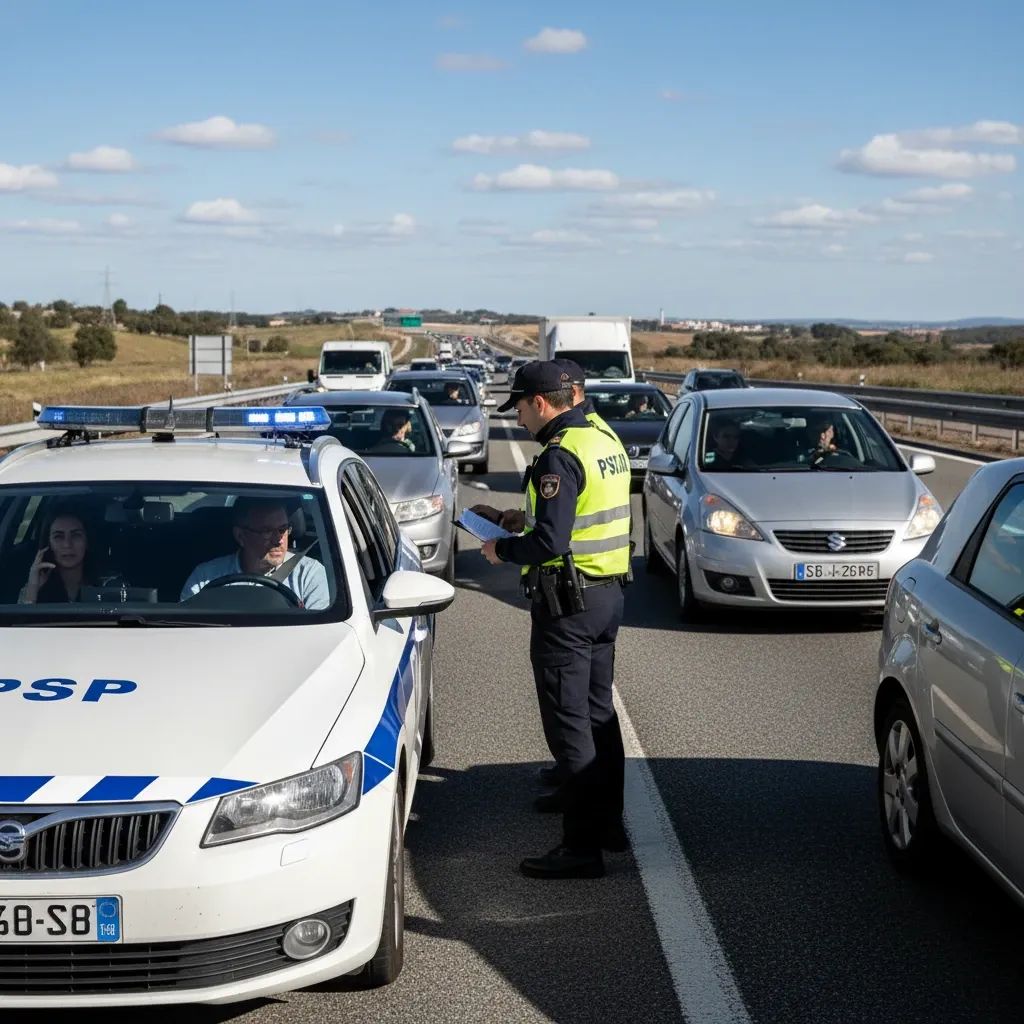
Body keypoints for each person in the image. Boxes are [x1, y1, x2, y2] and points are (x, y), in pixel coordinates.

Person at [480, 360, 632, 879]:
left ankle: (580, 847)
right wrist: (520, 518)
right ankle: (606, 821)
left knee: (570, 726)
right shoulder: (602, 437)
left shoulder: (557, 455)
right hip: (606, 594)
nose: (518, 419)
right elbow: (580, 511)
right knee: (598, 715)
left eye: (519, 408)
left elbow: (551, 542)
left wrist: (501, 548)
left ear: (541, 403)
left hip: (568, 604)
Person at [180, 498, 329, 609]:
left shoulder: (309, 574)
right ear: (240, 536)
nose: (278, 540)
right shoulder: (205, 577)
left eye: (282, 530)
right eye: (266, 531)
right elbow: (187, 630)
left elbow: (320, 633)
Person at [19, 505, 104, 604]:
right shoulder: (33, 587)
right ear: (48, 543)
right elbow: (20, 619)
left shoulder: (107, 583)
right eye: (58, 537)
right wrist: (33, 588)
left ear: (87, 541)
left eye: (76, 535)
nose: (67, 544)